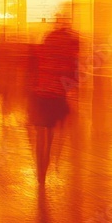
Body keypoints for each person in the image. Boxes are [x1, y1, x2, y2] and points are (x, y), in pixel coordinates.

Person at [28, 13, 80, 182]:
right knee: (50, 131)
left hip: (41, 93)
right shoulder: (70, 44)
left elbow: (36, 63)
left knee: (39, 130)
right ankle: (47, 161)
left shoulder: (48, 39)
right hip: (56, 94)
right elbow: (73, 71)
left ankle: (39, 167)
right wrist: (72, 89)